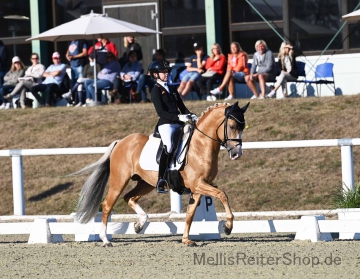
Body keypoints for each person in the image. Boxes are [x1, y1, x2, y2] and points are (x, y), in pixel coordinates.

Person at [148, 60, 198, 194]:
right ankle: (161, 179)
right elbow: (161, 112)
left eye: (167, 72)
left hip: (178, 122)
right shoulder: (155, 90)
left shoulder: (173, 89)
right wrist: (178, 117)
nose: (166, 74)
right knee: (169, 147)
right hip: (166, 124)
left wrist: (192, 115)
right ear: (155, 75)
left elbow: (182, 108)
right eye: (163, 72)